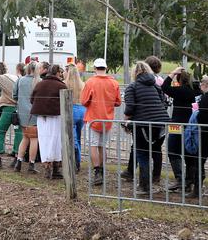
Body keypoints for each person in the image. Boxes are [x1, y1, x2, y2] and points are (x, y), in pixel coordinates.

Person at [124, 61, 170, 195]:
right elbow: (163, 102)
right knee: (154, 151)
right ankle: (152, 179)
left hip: (143, 125)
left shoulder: (132, 87)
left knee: (142, 154)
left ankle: (145, 186)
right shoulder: (156, 86)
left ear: (134, 73)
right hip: (161, 124)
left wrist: (126, 122)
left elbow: (129, 108)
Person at [80, 58, 121, 185]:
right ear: (106, 68)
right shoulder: (114, 83)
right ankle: (102, 171)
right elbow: (118, 102)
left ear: (95, 68)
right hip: (107, 120)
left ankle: (97, 171)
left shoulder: (90, 82)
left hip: (93, 119)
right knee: (102, 146)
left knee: (93, 145)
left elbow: (83, 101)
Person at [161, 67, 199, 192]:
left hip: (177, 125)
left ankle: (180, 180)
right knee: (189, 152)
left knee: (172, 149)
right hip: (192, 126)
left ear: (179, 81)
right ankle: (189, 180)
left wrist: (173, 73)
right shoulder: (197, 91)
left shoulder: (180, 90)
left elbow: (164, 86)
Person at [31, 65, 67, 179]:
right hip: (56, 117)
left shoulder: (39, 84)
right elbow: (66, 101)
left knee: (44, 141)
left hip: (42, 117)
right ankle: (55, 168)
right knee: (56, 141)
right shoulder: (61, 85)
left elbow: (32, 99)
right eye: (60, 72)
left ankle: (47, 167)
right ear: (57, 73)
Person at [0, 62, 21, 169]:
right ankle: (17, 157)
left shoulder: (1, 78)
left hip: (8, 108)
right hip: (19, 109)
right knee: (18, 133)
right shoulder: (16, 77)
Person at [13, 62, 40, 173]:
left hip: (22, 114)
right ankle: (31, 164)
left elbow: (14, 96)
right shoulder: (39, 81)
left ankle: (18, 162)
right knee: (34, 139)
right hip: (34, 114)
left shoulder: (20, 80)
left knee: (25, 138)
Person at [64, 64, 86, 173]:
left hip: (72, 109)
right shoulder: (82, 84)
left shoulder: (65, 84)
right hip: (82, 110)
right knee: (78, 135)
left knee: (72, 137)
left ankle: (75, 160)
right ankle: (78, 160)